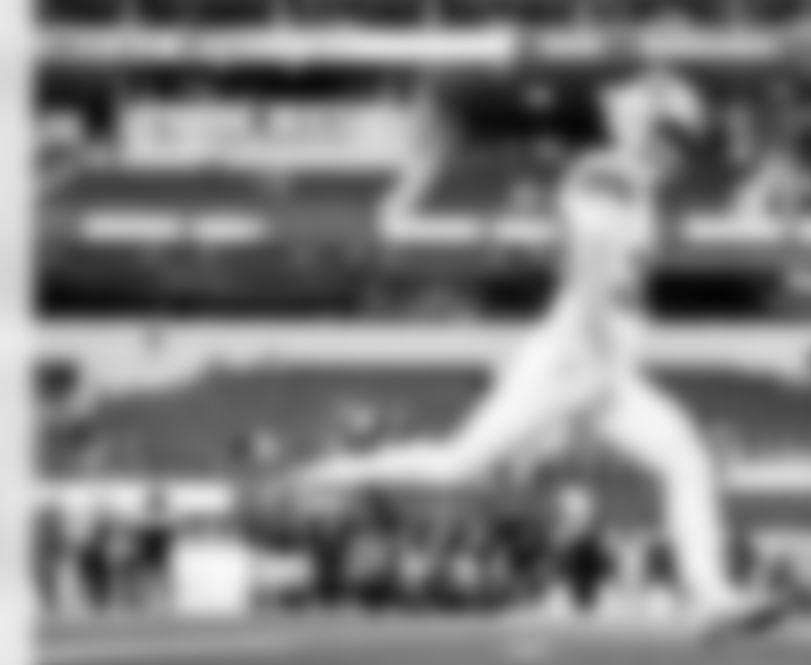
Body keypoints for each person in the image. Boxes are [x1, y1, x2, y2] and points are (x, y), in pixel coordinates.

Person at [283, 68, 765, 628]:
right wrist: (595, 352)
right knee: (457, 465)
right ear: (647, 131)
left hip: (601, 367)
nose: (682, 154)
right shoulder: (609, 175)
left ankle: (712, 596)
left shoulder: (631, 184)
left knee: (684, 457)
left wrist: (607, 363)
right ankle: (330, 475)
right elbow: (588, 263)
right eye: (675, 137)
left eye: (685, 142)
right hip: (574, 358)